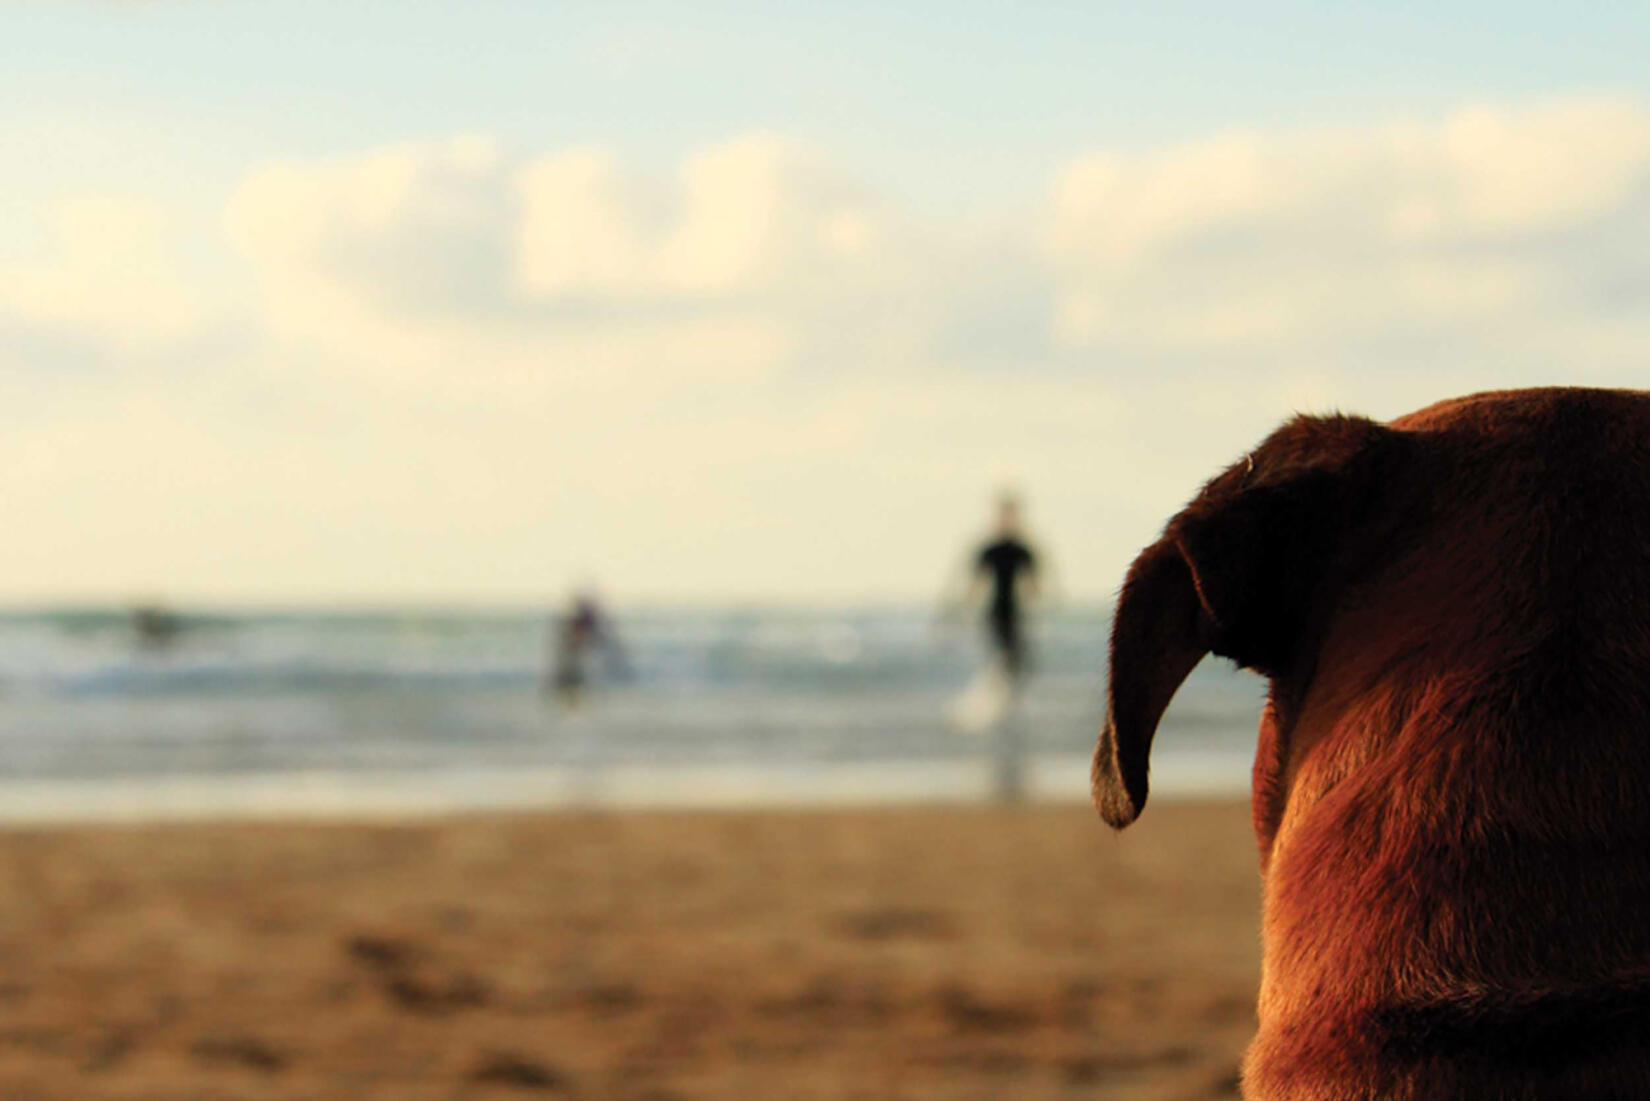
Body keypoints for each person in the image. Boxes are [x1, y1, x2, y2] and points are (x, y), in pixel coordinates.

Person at [971, 492, 1041, 681]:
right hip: (996, 610)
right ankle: (996, 690)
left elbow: (1034, 585)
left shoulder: (1020, 549)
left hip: (1012, 610)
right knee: (1003, 655)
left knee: (1015, 657)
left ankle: (1004, 692)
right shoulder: (992, 549)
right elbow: (975, 584)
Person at [546, 590, 624, 709]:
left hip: (577, 656)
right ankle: (570, 700)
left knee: (573, 677)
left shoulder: (583, 620)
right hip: (574, 655)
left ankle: (572, 700)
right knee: (570, 676)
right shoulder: (580, 620)